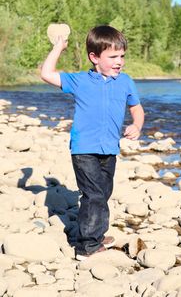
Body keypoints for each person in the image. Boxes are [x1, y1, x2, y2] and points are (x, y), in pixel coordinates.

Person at [40, 25, 144, 260]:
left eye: (122, 56)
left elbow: (137, 108)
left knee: (103, 193)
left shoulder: (125, 81)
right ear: (94, 57)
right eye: (113, 57)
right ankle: (86, 246)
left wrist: (137, 125)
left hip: (109, 148)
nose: (119, 61)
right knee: (94, 195)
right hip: (84, 149)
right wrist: (58, 47)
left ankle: (96, 234)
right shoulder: (80, 81)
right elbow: (46, 74)